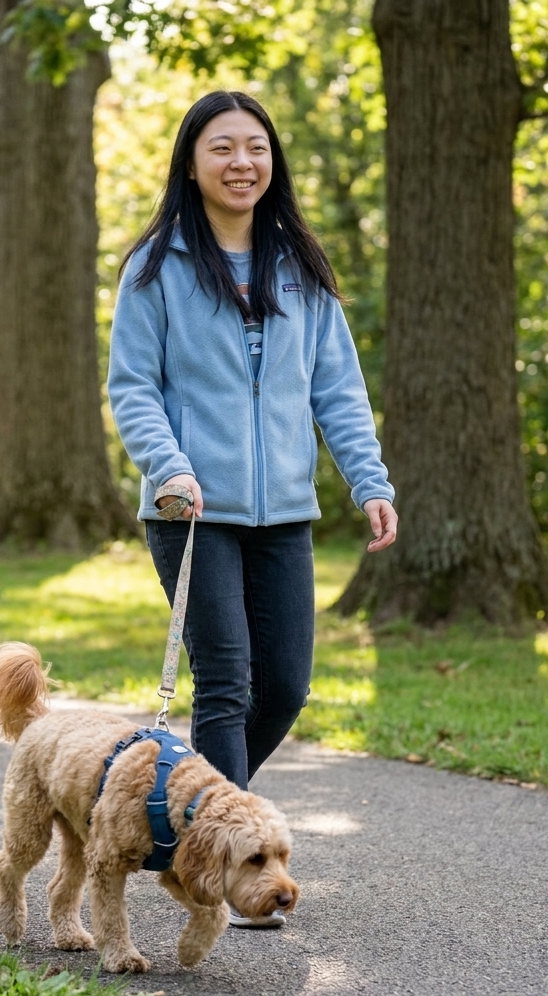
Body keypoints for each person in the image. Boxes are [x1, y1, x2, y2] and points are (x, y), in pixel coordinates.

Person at [107, 91, 397, 924]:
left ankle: (204, 831)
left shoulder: (301, 266)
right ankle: (236, 877)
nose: (243, 162)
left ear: (274, 161)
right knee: (227, 685)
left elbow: (337, 390)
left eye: (257, 147)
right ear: (191, 162)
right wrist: (168, 466)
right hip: (190, 510)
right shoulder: (157, 264)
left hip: (284, 515)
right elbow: (134, 385)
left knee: (288, 687)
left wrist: (368, 481)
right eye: (223, 147)